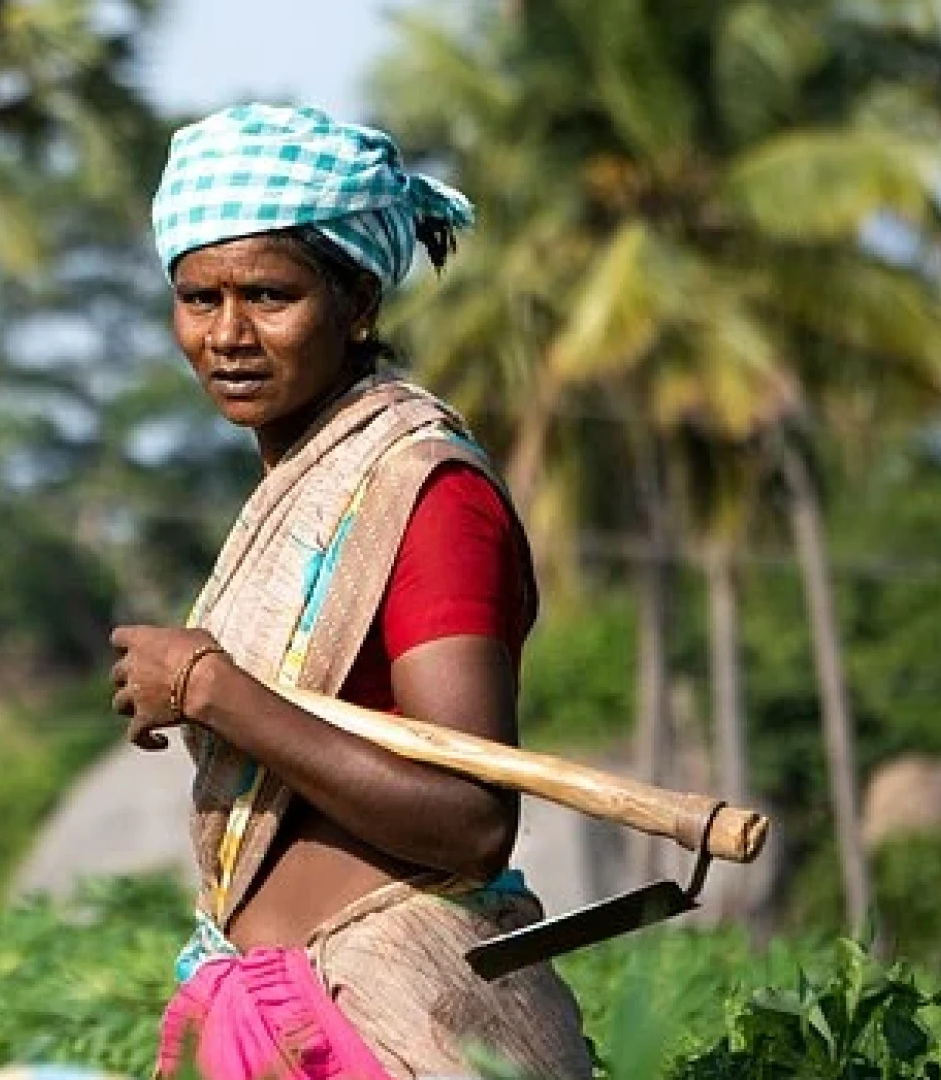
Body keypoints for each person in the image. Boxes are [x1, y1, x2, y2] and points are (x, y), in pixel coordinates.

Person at [107, 104, 593, 1080]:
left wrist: (214, 694)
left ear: (358, 302)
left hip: (396, 1021)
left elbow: (471, 819)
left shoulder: (429, 499)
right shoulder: (302, 491)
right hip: (279, 1013)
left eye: (270, 295)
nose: (229, 335)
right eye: (199, 298)